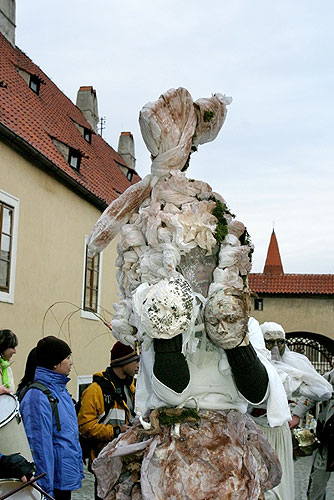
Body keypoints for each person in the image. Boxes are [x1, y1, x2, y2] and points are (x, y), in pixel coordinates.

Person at [86, 88, 288, 499]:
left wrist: (228, 333)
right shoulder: (162, 223)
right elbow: (242, 391)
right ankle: (180, 328)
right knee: (174, 338)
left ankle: (201, 329)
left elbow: (259, 391)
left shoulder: (197, 213)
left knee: (202, 344)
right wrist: (169, 328)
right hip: (188, 442)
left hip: (207, 441)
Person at [250, 322, 333, 500]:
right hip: (254, 429)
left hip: (279, 432)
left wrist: (296, 381)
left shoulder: (292, 367)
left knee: (279, 482)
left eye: (279, 342)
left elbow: (322, 389)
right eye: (269, 342)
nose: (274, 348)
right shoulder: (251, 365)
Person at [20, 335, 83, 500]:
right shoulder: (37, 396)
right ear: (54, 363)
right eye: (67, 357)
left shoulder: (61, 392)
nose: (71, 362)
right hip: (51, 484)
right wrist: (44, 491)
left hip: (63, 478)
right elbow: (39, 446)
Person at [77, 341, 139, 500]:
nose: (139, 365)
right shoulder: (95, 390)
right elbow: (84, 427)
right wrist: (117, 431)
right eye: (135, 360)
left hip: (126, 463)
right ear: (122, 362)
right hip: (104, 462)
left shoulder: (131, 388)